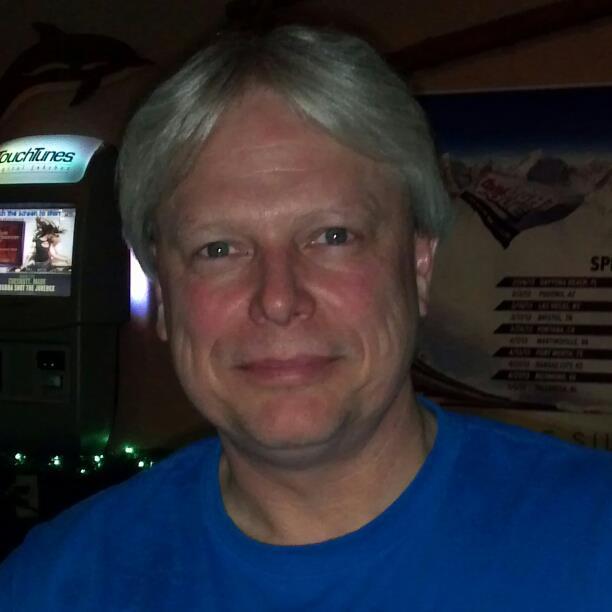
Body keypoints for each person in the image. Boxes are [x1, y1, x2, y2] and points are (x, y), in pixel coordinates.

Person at [1, 25, 612, 611]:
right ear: (162, 292)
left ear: (419, 266)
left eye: (333, 236)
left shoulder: (590, 542)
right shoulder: (56, 585)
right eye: (219, 248)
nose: (277, 298)